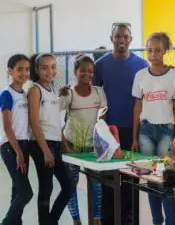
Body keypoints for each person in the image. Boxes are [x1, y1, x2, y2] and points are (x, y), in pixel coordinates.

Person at [92, 22, 148, 225]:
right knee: (108, 178)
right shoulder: (101, 65)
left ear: (130, 39)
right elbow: (94, 96)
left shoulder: (142, 66)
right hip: (109, 130)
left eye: (125, 36)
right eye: (118, 36)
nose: (121, 40)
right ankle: (109, 220)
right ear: (112, 39)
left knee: (131, 178)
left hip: (134, 130)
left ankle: (129, 220)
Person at [131, 32, 175, 225]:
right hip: (146, 131)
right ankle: (157, 220)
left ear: (165, 51)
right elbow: (137, 106)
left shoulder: (174, 75)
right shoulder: (140, 75)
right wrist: (135, 137)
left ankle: (170, 221)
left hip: (166, 132)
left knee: (166, 177)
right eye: (150, 50)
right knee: (151, 179)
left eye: (158, 50)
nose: (153, 54)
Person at [60, 55, 107, 225]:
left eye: (90, 71)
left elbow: (103, 118)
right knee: (71, 185)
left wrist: (101, 142)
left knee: (96, 185)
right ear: (75, 72)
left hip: (92, 147)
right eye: (82, 71)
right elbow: (53, 119)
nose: (86, 74)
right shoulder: (68, 94)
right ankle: (76, 220)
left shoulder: (98, 92)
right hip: (72, 145)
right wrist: (65, 145)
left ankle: (96, 220)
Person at [28, 53, 74, 225]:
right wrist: (46, 150)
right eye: (45, 67)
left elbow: (55, 121)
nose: (50, 71)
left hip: (54, 143)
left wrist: (64, 143)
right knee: (46, 187)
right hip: (41, 143)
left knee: (68, 186)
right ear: (37, 69)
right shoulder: (35, 90)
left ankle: (50, 221)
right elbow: (33, 121)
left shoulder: (53, 90)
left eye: (53, 66)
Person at [0, 54, 33, 225]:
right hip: (10, 147)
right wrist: (18, 152)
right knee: (26, 193)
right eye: (19, 69)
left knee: (17, 191)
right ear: (10, 71)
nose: (24, 73)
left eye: (27, 69)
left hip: (24, 145)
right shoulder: (6, 94)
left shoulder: (26, 94)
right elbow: (7, 127)